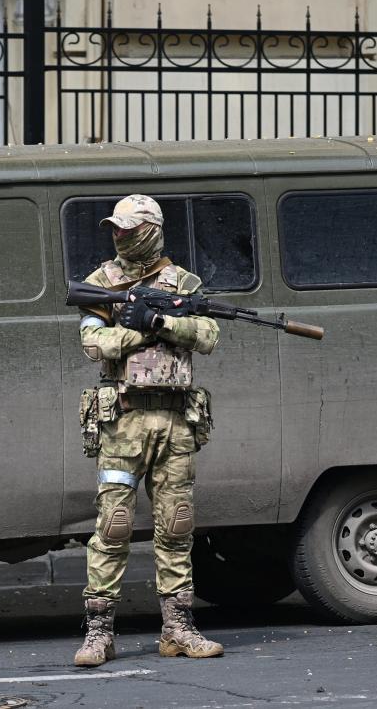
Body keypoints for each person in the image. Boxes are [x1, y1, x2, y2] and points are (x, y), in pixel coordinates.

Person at [73, 193, 223, 667]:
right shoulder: (102, 284)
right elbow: (93, 345)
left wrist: (162, 320)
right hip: (123, 422)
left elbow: (209, 336)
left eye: (128, 228)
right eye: (115, 228)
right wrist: (141, 330)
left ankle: (178, 629)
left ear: (152, 230)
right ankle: (99, 633)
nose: (119, 235)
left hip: (176, 422)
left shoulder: (182, 283)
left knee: (176, 526)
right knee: (112, 527)